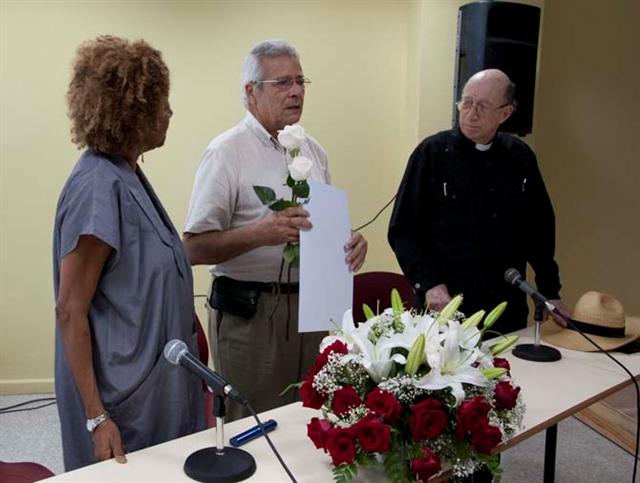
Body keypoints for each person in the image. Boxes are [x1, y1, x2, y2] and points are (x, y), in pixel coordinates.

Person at [183, 39, 368, 421]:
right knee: (255, 427)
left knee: (314, 419)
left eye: (301, 81)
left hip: (314, 310)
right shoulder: (226, 152)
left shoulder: (313, 152)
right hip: (252, 315)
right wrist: (260, 233)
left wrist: (349, 244)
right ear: (251, 91)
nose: (297, 91)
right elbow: (193, 248)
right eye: (283, 82)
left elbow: (319, 227)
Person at [53, 36, 205, 471]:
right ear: (130, 112)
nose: (170, 113)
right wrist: (96, 416)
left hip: (152, 387)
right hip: (121, 400)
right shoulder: (99, 187)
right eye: (161, 103)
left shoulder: (126, 174)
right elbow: (69, 310)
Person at [388, 69, 568, 337]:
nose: (471, 114)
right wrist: (429, 283)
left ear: (505, 114)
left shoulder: (520, 158)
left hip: (504, 308)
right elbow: (402, 230)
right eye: (466, 103)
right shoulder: (432, 152)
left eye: (482, 107)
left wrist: (549, 292)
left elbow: (538, 231)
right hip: (444, 307)